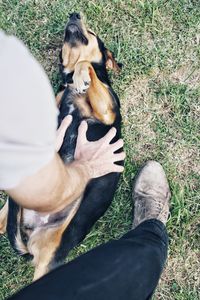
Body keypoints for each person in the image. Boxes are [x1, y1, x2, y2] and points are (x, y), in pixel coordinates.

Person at [0, 31, 171, 300]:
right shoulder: (17, 73)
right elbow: (104, 112)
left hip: (43, 201)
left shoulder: (46, 90)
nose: (75, 27)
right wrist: (85, 68)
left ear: (108, 61)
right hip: (58, 199)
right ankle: (150, 228)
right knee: (138, 261)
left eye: (87, 36)